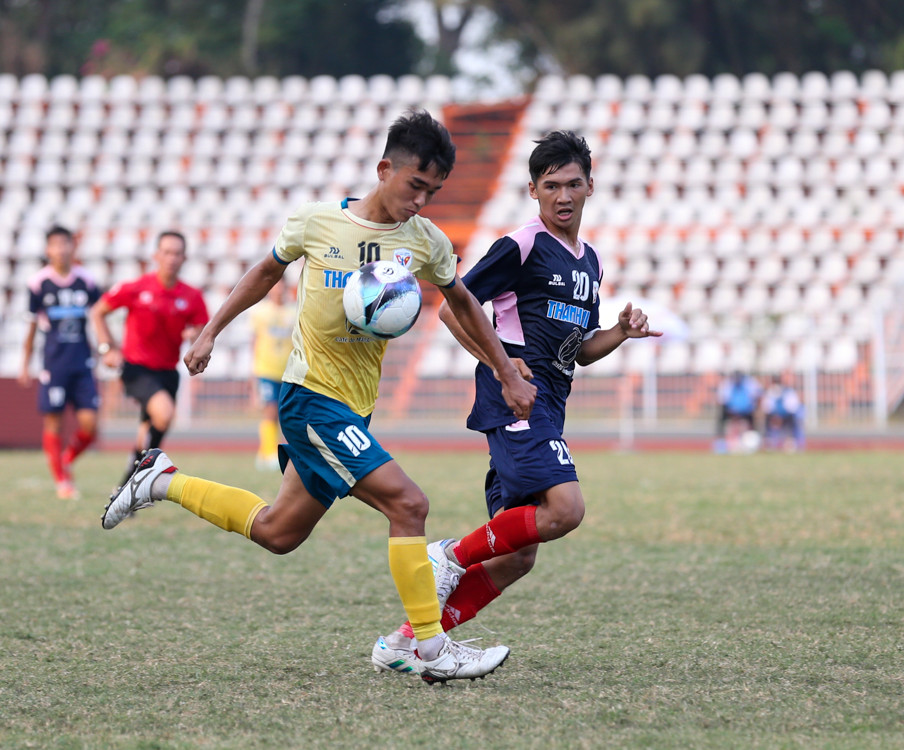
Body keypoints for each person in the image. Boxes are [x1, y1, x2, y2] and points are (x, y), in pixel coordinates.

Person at [99, 110, 537, 684]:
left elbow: (463, 302)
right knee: (410, 505)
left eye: (432, 192)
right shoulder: (317, 222)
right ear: (384, 169)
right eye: (414, 186)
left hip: (354, 405)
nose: (420, 201)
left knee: (278, 532)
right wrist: (211, 331)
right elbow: (263, 273)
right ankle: (427, 648)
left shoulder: (424, 241)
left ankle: (159, 478)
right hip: (310, 399)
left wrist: (504, 369)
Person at [370, 130, 663, 675]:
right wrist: (503, 367)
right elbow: (453, 311)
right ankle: (448, 556)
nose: (563, 196)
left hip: (550, 401)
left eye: (573, 184)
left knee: (517, 556)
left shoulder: (589, 262)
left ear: (591, 186)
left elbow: (579, 352)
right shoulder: (521, 245)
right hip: (517, 402)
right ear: (533, 190)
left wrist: (620, 332)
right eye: (551, 185)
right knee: (566, 509)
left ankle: (405, 643)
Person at [90, 231, 209, 488]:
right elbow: (97, 311)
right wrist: (107, 348)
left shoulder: (191, 296)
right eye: (166, 252)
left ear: (184, 258)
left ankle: (127, 487)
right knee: (164, 413)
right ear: (156, 255)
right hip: (136, 368)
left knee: (149, 431)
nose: (171, 258)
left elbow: (202, 335)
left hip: (168, 372)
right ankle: (140, 478)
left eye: (177, 253)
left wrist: (194, 336)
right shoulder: (136, 288)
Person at [19, 226, 102, 500]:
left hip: (82, 363)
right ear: (48, 250)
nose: (61, 249)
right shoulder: (39, 283)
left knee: (89, 425)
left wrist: (106, 347)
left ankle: (65, 458)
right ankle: (62, 481)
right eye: (55, 244)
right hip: (54, 364)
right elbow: (31, 326)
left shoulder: (86, 281)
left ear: (72, 247)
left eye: (66, 244)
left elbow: (99, 317)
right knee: (53, 422)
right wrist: (25, 363)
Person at [248, 278, 295, 471]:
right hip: (266, 369)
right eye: (275, 286)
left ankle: (265, 451)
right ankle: (269, 453)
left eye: (281, 286)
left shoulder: (294, 311)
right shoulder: (260, 312)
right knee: (270, 409)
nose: (278, 290)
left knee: (285, 413)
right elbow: (255, 341)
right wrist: (252, 373)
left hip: (288, 370)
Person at [713, 370, 762, 452]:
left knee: (753, 423)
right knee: (721, 420)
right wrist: (732, 411)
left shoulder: (750, 383)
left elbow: (757, 396)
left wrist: (753, 408)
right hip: (731, 410)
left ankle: (752, 443)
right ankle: (721, 444)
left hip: (746, 410)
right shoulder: (727, 384)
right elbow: (722, 400)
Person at [762, 372, 805, 452]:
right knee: (769, 422)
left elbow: (793, 407)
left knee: (795, 422)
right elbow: (767, 407)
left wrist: (782, 415)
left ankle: (796, 444)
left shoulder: (789, 392)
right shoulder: (770, 392)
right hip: (774, 416)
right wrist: (776, 416)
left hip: (788, 416)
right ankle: (771, 444)